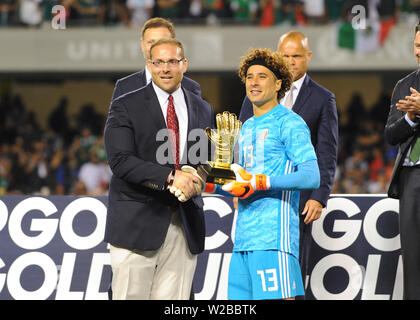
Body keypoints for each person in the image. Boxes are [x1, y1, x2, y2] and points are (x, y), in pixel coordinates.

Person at [103, 38, 214, 300]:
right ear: (149, 65)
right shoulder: (125, 104)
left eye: (172, 62)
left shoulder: (202, 107)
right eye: (159, 62)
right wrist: (171, 176)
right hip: (137, 225)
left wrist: (198, 177)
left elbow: (205, 158)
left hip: (184, 224)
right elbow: (120, 160)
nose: (165, 68)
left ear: (183, 65)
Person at [206, 48, 320, 300]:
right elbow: (237, 182)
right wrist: (203, 180)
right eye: (249, 76)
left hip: (274, 239)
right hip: (243, 241)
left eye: (262, 76)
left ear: (279, 83)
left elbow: (312, 176)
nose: (254, 82)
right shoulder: (246, 126)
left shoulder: (289, 122)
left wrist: (262, 182)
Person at [238, 31, 338, 292]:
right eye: (286, 56)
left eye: (296, 56)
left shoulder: (321, 98)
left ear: (308, 57)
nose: (291, 61)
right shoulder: (254, 100)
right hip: (251, 212)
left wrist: (319, 195)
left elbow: (326, 151)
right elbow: (243, 149)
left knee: (292, 275)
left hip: (295, 202)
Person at [384, 22, 420, 300]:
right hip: (410, 179)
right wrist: (410, 117)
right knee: (413, 255)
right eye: (417, 46)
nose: (419, 52)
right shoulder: (404, 85)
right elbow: (390, 135)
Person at [111, 17, 201, 100]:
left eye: (162, 41)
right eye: (151, 42)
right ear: (142, 45)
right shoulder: (124, 87)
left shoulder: (190, 87)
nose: (156, 47)